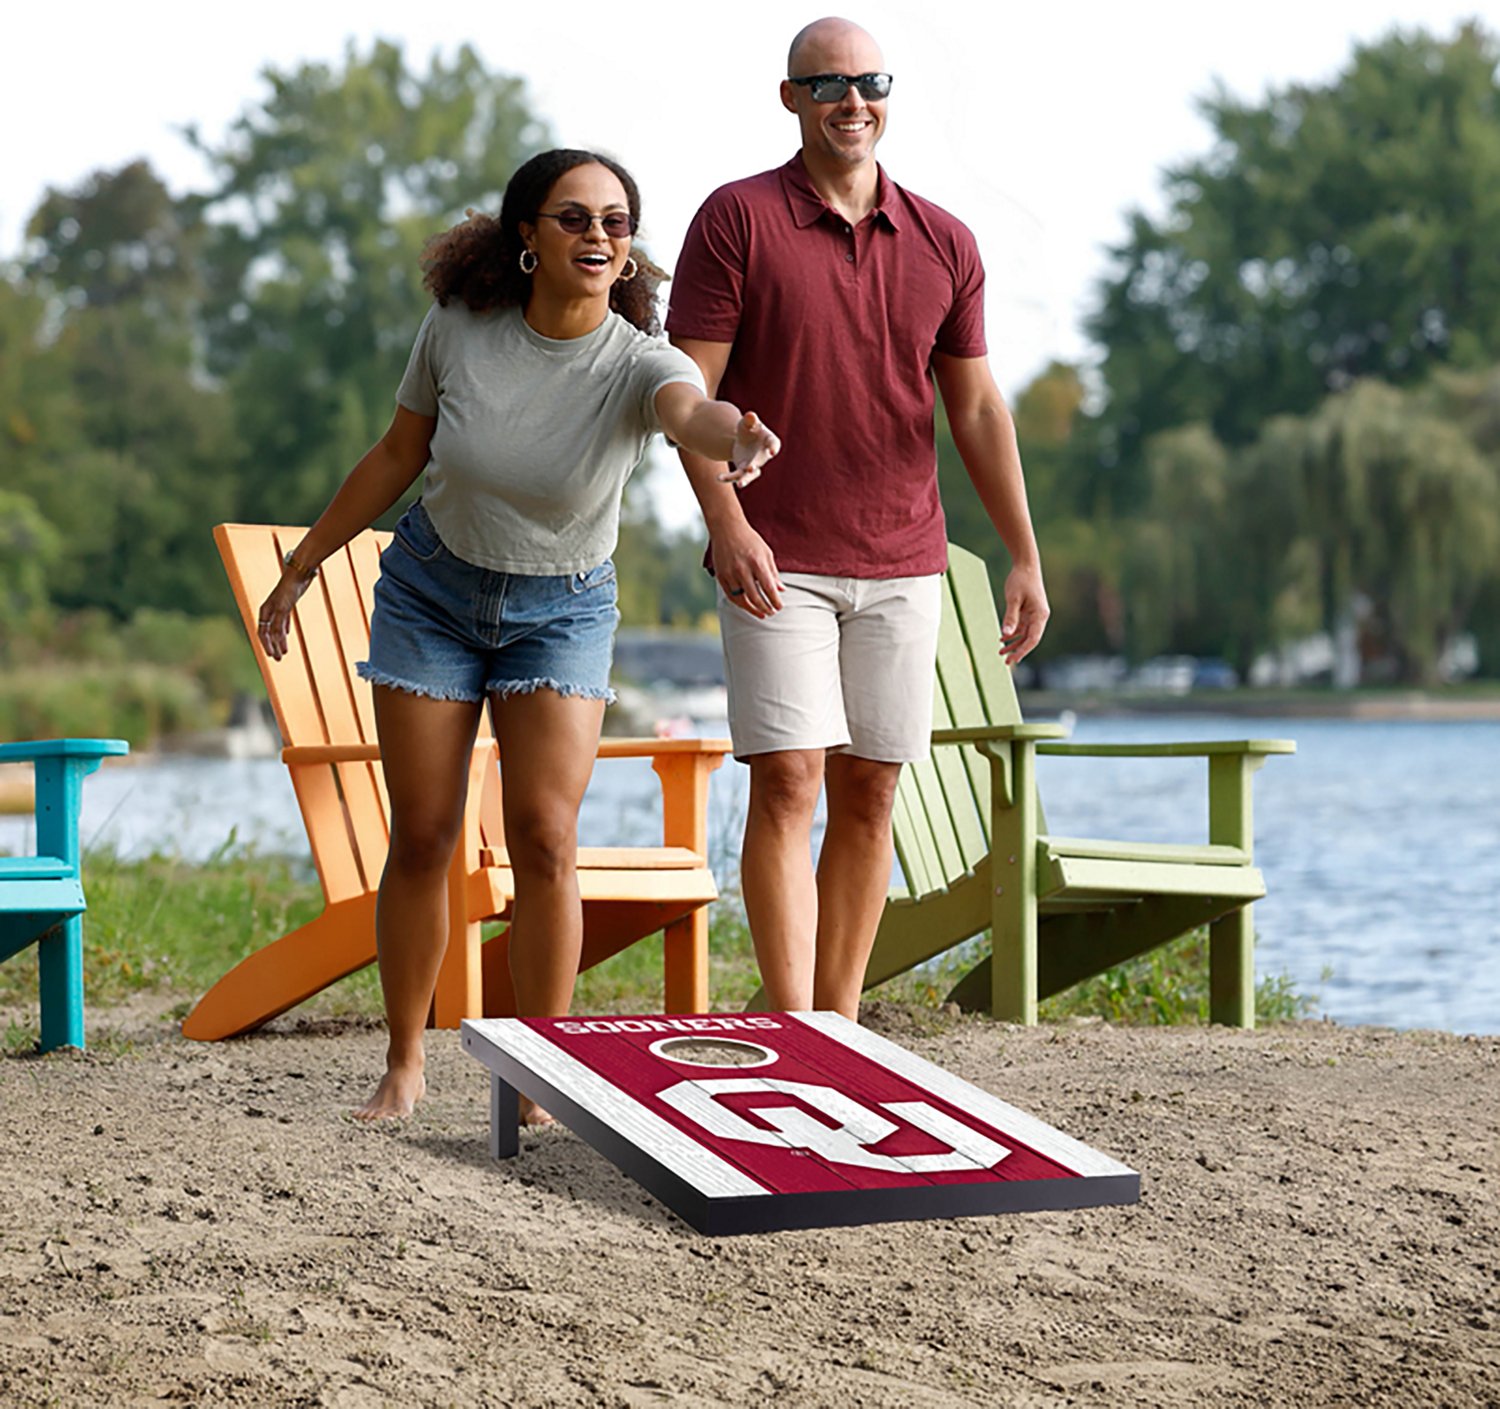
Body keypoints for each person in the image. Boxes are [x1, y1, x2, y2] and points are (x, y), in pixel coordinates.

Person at [255, 149, 781, 1122]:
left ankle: (542, 1073)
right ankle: (405, 1061)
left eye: (615, 223)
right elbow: (398, 453)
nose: (597, 236)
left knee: (545, 836)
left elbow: (688, 413)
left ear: (628, 252)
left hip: (563, 610)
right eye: (574, 218)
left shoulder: (639, 360)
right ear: (528, 238)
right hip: (432, 596)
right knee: (423, 833)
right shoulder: (459, 329)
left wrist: (733, 437)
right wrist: (307, 561)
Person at [666, 18, 1049, 1020]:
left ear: (888, 94)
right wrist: (727, 522)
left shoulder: (944, 241)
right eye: (829, 84)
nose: (853, 100)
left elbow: (975, 408)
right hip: (775, 556)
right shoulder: (734, 221)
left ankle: (836, 1019)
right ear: (789, 98)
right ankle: (792, 1021)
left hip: (903, 558)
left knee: (872, 788)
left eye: (870, 82)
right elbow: (682, 398)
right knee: (789, 778)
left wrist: (1022, 553)